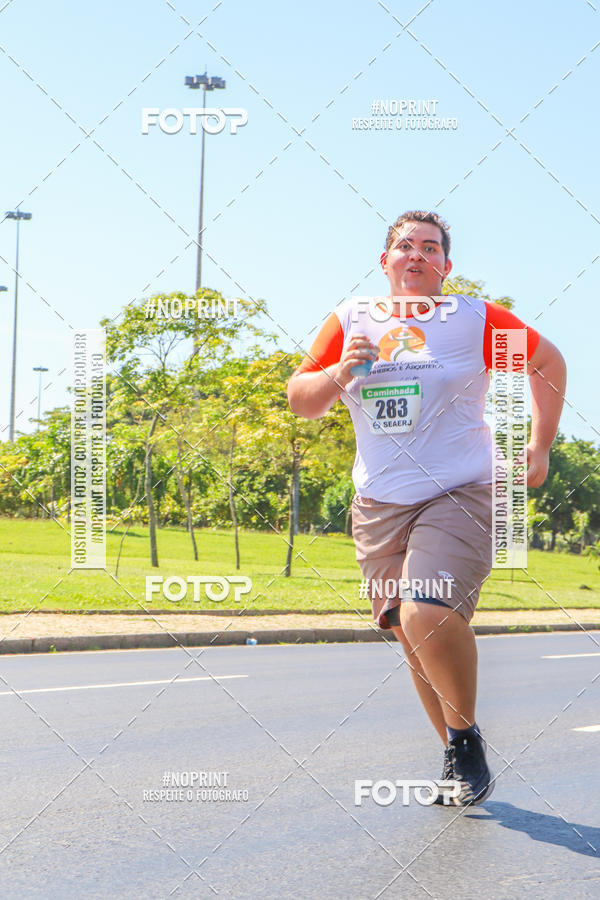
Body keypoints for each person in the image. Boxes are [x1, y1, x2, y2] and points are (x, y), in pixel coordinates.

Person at [286, 211, 566, 806]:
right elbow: (300, 401)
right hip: (379, 501)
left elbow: (548, 364)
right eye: (404, 246)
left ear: (446, 266)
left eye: (430, 248)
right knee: (408, 633)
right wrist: (341, 371)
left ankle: (465, 743)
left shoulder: (473, 320)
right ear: (385, 259)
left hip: (459, 489)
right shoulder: (352, 318)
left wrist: (538, 445)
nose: (417, 255)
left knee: (425, 610)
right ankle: (457, 755)